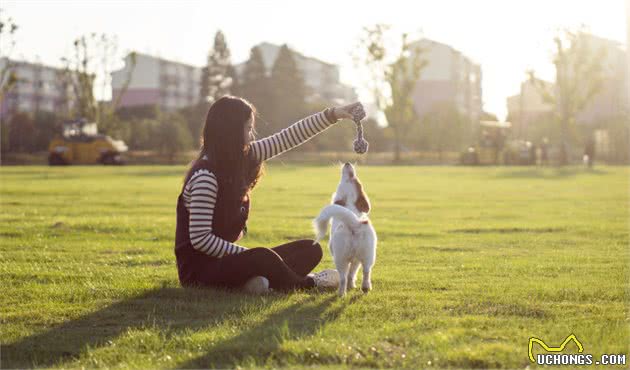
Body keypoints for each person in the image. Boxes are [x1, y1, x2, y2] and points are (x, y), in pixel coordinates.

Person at [174, 95, 365, 294]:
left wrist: (334, 114)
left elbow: (287, 138)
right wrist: (250, 256)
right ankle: (310, 283)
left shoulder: (242, 157)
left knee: (310, 249)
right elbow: (201, 239)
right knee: (263, 257)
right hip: (200, 273)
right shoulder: (205, 176)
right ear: (230, 131)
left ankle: (254, 283)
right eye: (248, 128)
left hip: (229, 263)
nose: (251, 135)